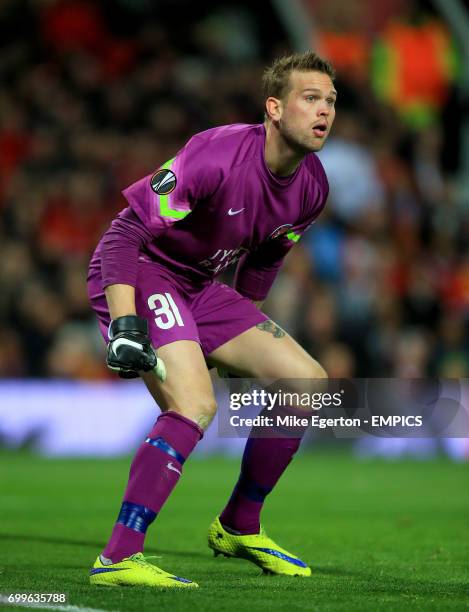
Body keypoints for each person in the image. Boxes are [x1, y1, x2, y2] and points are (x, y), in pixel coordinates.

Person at [87, 51, 336, 588]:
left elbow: (265, 260)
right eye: (310, 98)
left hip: (201, 288)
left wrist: (237, 336)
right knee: (195, 404)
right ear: (274, 107)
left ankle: (239, 525)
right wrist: (126, 324)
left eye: (331, 101)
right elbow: (125, 235)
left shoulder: (313, 186)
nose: (324, 112)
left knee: (306, 384)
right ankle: (118, 558)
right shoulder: (217, 153)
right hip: (145, 272)